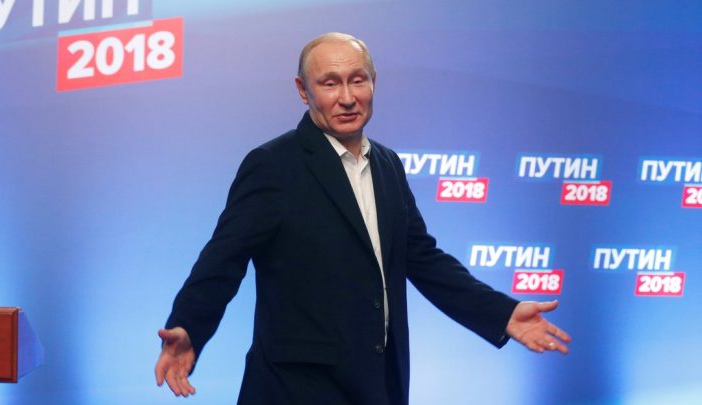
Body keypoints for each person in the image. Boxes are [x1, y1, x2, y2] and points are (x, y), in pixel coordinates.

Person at [155, 32, 571, 404]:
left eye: (358, 80)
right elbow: (223, 259)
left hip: (379, 384)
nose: (347, 97)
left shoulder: (388, 165)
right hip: (297, 389)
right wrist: (189, 326)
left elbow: (424, 260)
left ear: (374, 83)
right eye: (329, 83)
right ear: (303, 91)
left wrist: (501, 313)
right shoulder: (273, 165)